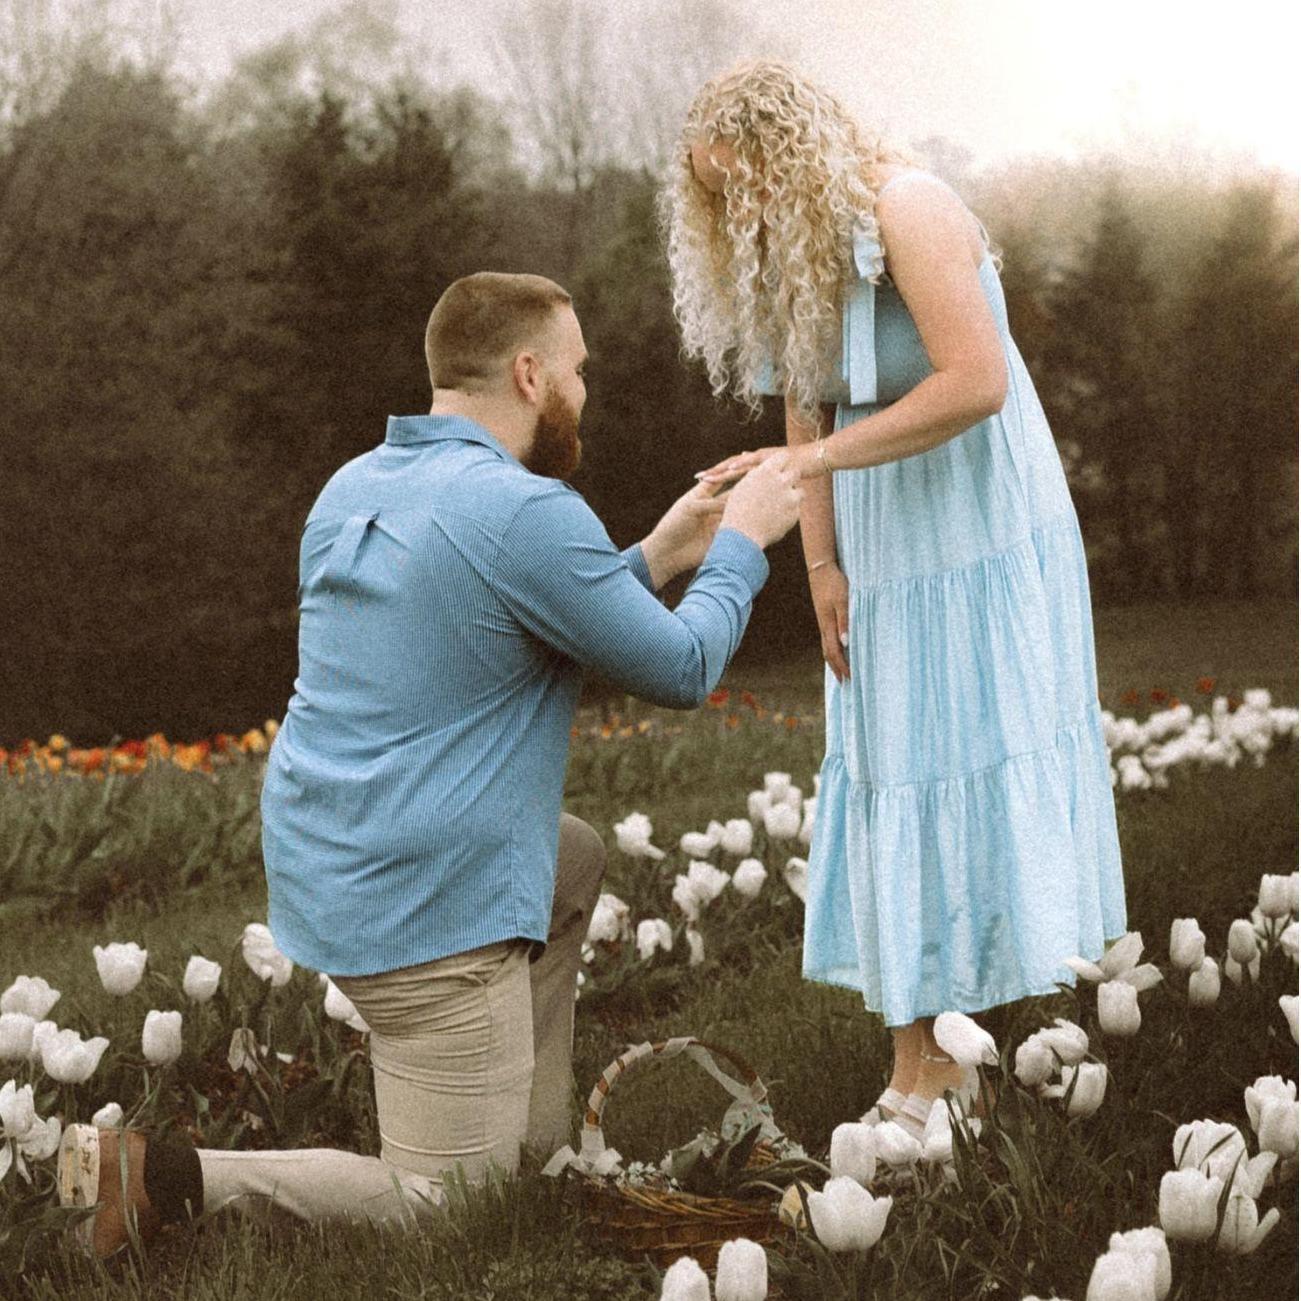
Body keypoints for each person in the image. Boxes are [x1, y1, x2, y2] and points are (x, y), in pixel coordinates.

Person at [58, 271, 804, 1256]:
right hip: (425, 894)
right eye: (577, 370)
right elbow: (677, 667)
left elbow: (509, 623)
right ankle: (156, 1176)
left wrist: (660, 554)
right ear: (530, 373)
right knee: (453, 1208)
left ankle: (528, 1138)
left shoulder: (355, 485)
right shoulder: (523, 509)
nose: (583, 391)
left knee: (570, 858)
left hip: (335, 859)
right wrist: (744, 543)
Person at [666, 60, 1128, 1138]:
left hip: (976, 522)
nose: (739, 213)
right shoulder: (796, 255)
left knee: (961, 756)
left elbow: (975, 380)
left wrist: (815, 460)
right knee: (892, 767)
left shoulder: (908, 209)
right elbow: (805, 409)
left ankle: (957, 1066)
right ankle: (912, 1063)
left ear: (791, 156)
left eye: (745, 184)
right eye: (717, 197)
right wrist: (820, 563)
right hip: (878, 532)